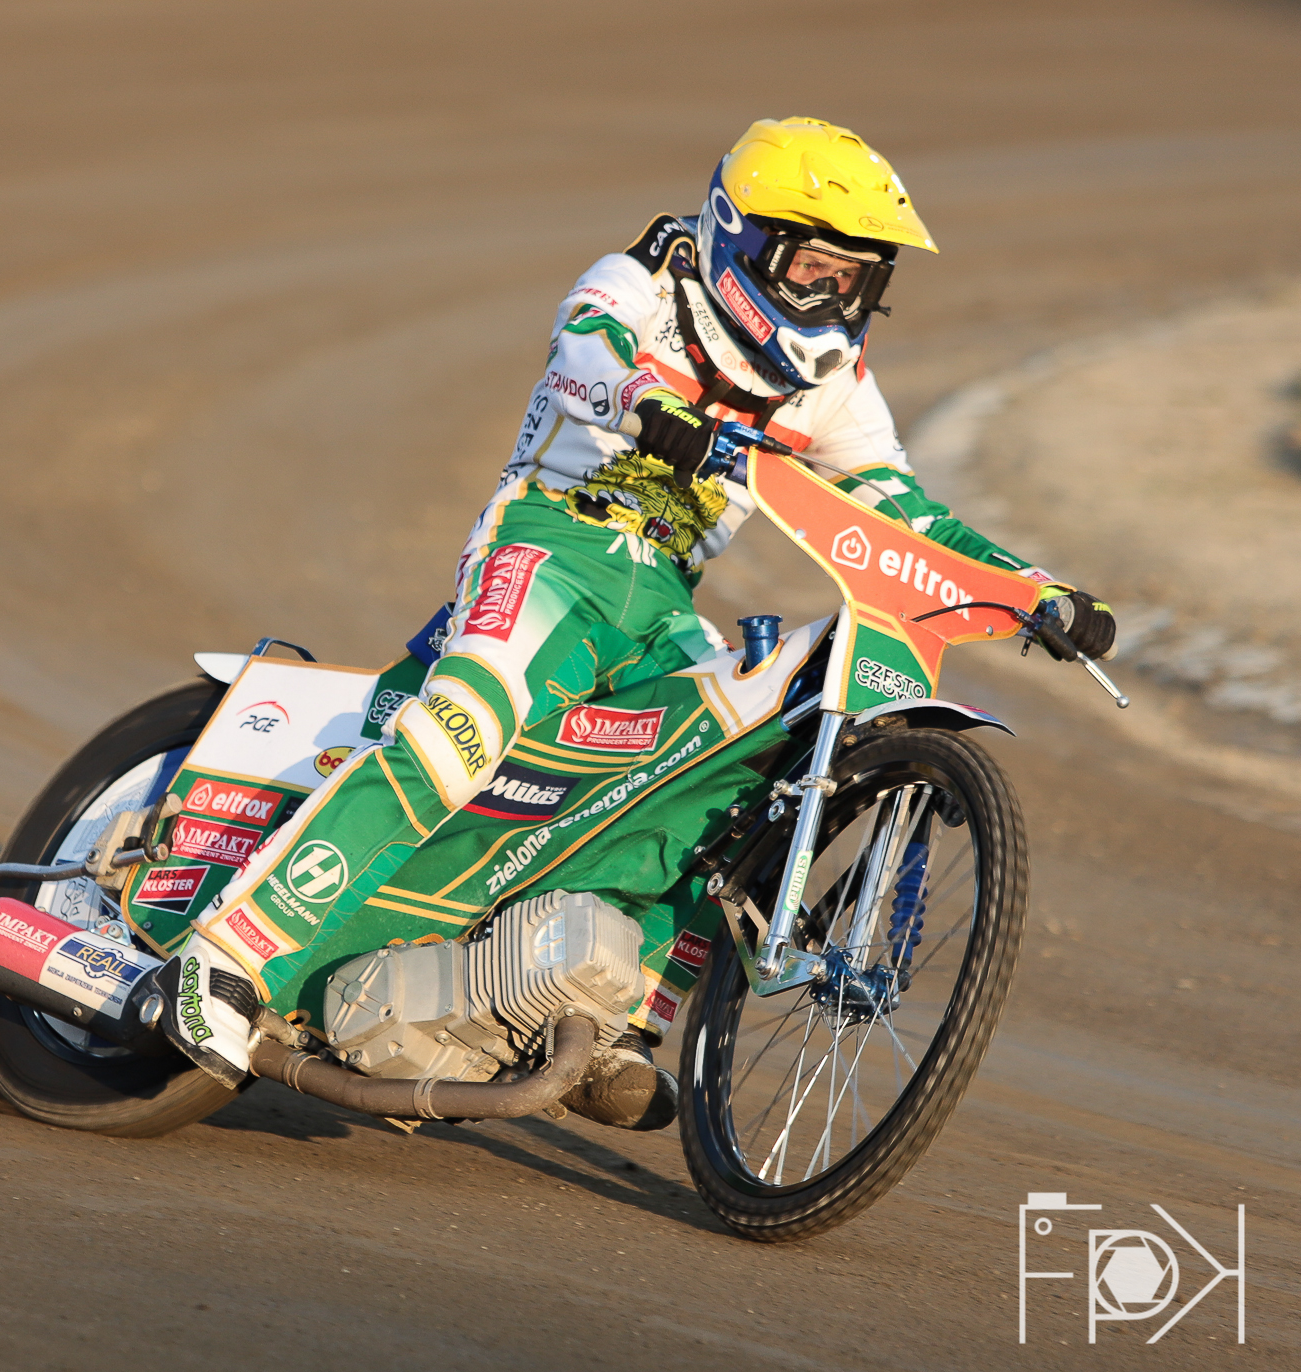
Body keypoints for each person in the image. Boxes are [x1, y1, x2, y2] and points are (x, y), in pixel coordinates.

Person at [159, 117, 1116, 1118]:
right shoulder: (647, 282)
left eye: (855, 279)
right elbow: (582, 348)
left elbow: (902, 510)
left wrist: (1032, 591)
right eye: (814, 270)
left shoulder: (833, 384)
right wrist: (645, 401)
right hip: (547, 547)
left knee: (739, 767)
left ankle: (613, 1013)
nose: (834, 298)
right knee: (461, 727)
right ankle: (231, 956)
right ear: (743, 237)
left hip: (659, 598)